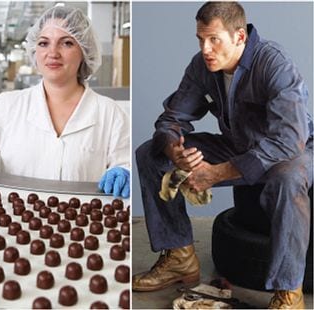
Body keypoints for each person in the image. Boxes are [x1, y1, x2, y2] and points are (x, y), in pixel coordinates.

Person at [132, 2, 312, 309]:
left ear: (239, 37)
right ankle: (179, 256)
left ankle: (289, 292)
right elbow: (171, 118)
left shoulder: (275, 64)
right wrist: (175, 150)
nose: (206, 48)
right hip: (239, 145)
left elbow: (288, 141)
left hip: (293, 151)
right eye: (200, 39)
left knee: (288, 177)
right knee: (150, 154)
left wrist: (215, 173)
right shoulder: (203, 66)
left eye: (214, 39)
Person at [0, 6, 130, 198]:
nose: (53, 53)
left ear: (85, 51)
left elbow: (126, 163)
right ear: (34, 50)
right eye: (44, 43)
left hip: (87, 223)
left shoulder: (111, 114)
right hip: (15, 221)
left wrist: (125, 172)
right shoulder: (8, 105)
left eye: (66, 43)